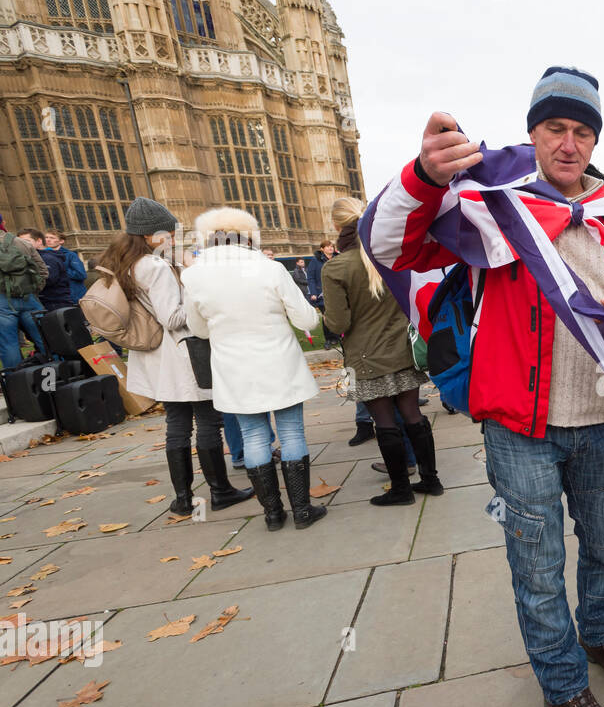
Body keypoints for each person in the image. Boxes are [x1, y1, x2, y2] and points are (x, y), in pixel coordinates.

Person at [361, 65, 604, 707]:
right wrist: (424, 176)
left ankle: (601, 634)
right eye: (555, 128)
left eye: (582, 130)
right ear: (533, 132)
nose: (569, 143)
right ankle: (562, 681)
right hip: (519, 427)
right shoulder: (492, 208)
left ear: (594, 138)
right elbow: (389, 245)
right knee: (538, 564)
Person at [98, 198, 252, 517]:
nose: (172, 237)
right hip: (182, 355)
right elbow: (172, 317)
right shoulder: (154, 266)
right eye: (168, 233)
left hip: (156, 358)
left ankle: (183, 499)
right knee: (208, 420)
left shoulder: (126, 263)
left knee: (177, 425)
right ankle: (220, 491)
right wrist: (200, 299)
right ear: (150, 235)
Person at [183, 207, 325, 531]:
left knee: (252, 437)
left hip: (233, 368)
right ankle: (302, 510)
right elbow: (306, 319)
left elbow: (198, 329)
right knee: (291, 433)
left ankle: (272, 514)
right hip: (278, 362)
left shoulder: (193, 276)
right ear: (248, 235)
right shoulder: (270, 268)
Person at [323, 197, 442, 505]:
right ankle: (430, 480)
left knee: (385, 423)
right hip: (403, 349)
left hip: (366, 356)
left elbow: (338, 322)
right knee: (413, 415)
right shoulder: (389, 256)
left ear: (337, 227)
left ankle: (401, 488)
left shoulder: (336, 267)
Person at [0, 230, 48, 369]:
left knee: (8, 345)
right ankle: (57, 375)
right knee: (45, 339)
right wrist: (34, 291)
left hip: (2, 302)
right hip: (29, 297)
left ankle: (18, 384)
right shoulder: (20, 242)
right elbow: (43, 271)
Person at [17, 228, 74, 313]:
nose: (23, 245)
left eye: (26, 241)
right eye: (20, 243)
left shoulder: (47, 258)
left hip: (55, 303)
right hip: (45, 302)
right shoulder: (32, 257)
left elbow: (48, 280)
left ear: (39, 241)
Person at [44, 231, 87, 302]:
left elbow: (81, 275)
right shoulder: (42, 255)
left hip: (73, 296)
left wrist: (61, 269)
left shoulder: (70, 255)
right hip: (55, 297)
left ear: (61, 241)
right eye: (46, 237)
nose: (48, 240)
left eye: (52, 238)